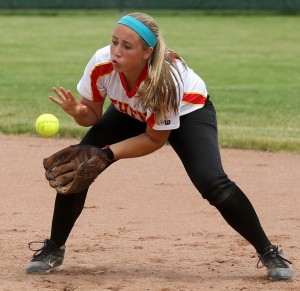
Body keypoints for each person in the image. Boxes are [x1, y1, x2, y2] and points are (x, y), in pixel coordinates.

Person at [26, 12, 293, 280]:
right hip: (131, 111)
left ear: (146, 52)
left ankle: (269, 251)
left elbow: (154, 139)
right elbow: (92, 116)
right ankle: (53, 248)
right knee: (78, 166)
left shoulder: (165, 79)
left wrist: (107, 154)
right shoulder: (102, 63)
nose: (116, 51)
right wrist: (77, 111)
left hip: (189, 113)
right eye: (114, 42)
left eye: (127, 46)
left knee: (213, 183)